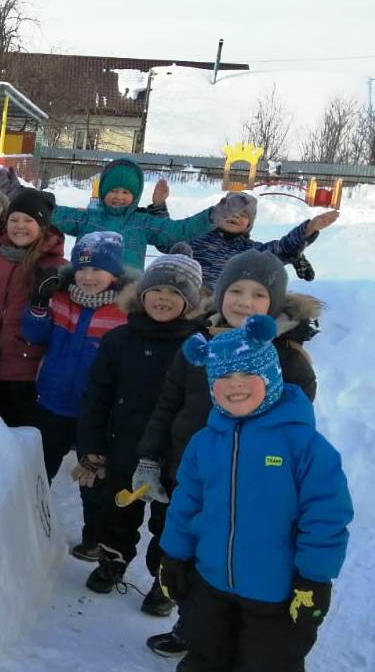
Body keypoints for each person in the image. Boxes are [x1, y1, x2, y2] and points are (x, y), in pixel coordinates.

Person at [160, 314, 351, 672]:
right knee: (210, 649)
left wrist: (314, 577)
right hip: (211, 579)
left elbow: (326, 516)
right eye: (222, 377)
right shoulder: (206, 441)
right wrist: (174, 554)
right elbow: (186, 502)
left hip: (278, 588)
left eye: (247, 374)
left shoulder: (303, 445)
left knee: (271, 663)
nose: (235, 385)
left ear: (268, 374)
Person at [136, 249, 321, 672]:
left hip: (244, 484)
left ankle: (213, 644)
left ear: (272, 304)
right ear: (219, 295)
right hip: (188, 471)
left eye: (258, 294)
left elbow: (297, 433)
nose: (244, 301)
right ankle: (189, 623)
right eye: (235, 290)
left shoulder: (288, 359)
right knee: (178, 546)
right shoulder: (199, 346)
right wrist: (150, 458)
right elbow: (168, 405)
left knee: (225, 559)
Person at [74, 247, 207, 602]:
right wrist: (92, 444)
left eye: (175, 293)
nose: (163, 299)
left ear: (190, 302)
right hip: (125, 445)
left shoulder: (199, 348)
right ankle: (112, 560)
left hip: (175, 455)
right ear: (143, 293)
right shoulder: (119, 339)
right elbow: (97, 394)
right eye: (157, 291)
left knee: (169, 522)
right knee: (117, 511)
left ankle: (163, 580)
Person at [22, 231, 129, 557]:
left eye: (98, 269)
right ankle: (27, 527)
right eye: (82, 269)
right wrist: (38, 304)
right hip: (52, 400)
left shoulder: (123, 313)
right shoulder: (61, 298)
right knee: (40, 469)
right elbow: (33, 334)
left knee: (92, 478)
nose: (88, 276)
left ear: (115, 274)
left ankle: (94, 537)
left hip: (95, 412)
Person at [0, 186, 68, 427]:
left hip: (28, 372)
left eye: (28, 220)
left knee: (23, 436)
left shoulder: (57, 267)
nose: (19, 226)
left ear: (42, 226)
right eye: (14, 219)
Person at [51, 158, 213, 269]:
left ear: (135, 195)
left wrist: (214, 215)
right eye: (113, 190)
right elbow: (49, 213)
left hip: (126, 298)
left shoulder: (142, 223)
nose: (119, 197)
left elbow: (178, 231)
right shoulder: (87, 219)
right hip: (84, 288)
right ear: (103, 191)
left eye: (126, 192)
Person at [188, 191, 337, 287]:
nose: (235, 216)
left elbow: (280, 249)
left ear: (249, 224)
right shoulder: (195, 237)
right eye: (230, 211)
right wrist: (162, 204)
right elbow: (167, 235)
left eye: (243, 214)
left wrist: (309, 229)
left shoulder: (250, 250)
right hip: (191, 307)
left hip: (230, 311)